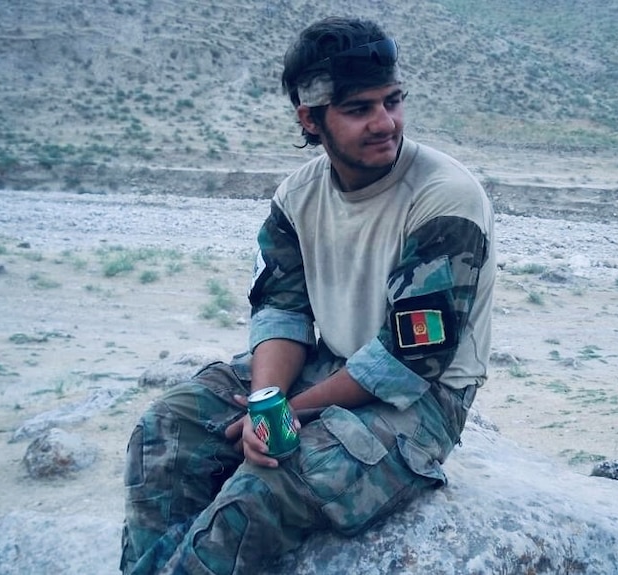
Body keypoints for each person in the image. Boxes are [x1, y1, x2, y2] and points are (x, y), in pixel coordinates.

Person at [120, 16, 496, 575]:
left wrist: (284, 419)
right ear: (311, 118)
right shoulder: (296, 196)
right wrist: (265, 405)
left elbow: (412, 358)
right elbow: (282, 311)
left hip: (423, 401)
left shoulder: (445, 198)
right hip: (329, 366)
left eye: (393, 101)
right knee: (166, 432)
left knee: (269, 479)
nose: (384, 122)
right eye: (359, 108)